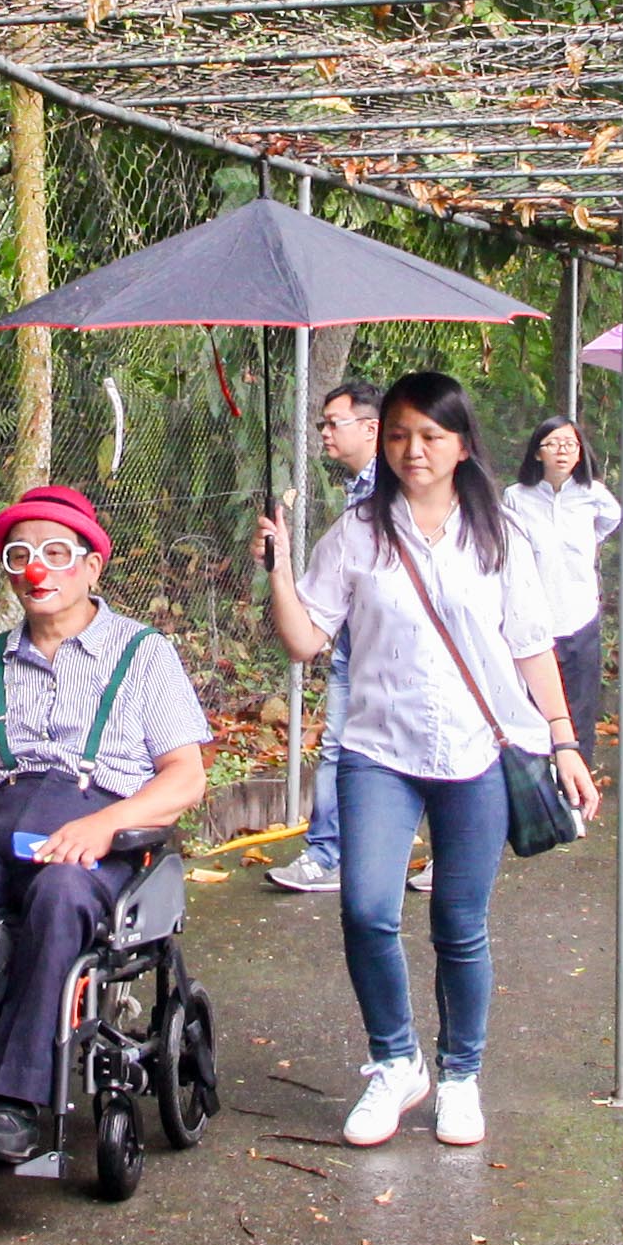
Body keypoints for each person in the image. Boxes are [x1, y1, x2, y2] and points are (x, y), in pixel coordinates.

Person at [258, 374, 601, 1148]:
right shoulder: (354, 536)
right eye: (401, 436)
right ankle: (393, 1063)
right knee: (366, 909)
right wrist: (277, 568)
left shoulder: (497, 534)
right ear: (383, 444)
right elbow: (305, 641)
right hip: (379, 751)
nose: (414, 451)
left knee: (458, 923)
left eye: (431, 436)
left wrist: (563, 739)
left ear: (462, 445)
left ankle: (458, 1076)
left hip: (477, 753)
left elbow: (529, 643)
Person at [0, 485, 212, 1159]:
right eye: (20, 555)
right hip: (0, 827)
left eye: (56, 553)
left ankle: (15, 1105)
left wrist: (107, 825)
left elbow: (185, 777)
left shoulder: (143, 655)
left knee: (58, 896)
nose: (38, 569)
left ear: (91, 567)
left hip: (98, 827)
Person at [266, 379, 383, 896]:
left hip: (396, 650)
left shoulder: (400, 487)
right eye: (321, 425)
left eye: (333, 423)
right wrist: (281, 565)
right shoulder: (359, 490)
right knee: (338, 747)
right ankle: (328, 855)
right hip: (352, 646)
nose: (324, 434)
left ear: (371, 427)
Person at [498, 411, 623, 813]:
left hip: (580, 617)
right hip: (533, 620)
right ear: (537, 452)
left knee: (580, 710)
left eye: (569, 444)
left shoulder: (595, 495)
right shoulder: (516, 497)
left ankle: (576, 800)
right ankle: (535, 797)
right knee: (533, 710)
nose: (561, 451)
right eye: (552, 443)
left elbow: (609, 523)